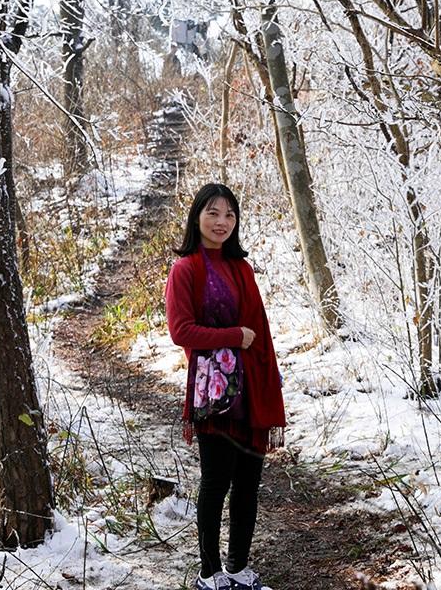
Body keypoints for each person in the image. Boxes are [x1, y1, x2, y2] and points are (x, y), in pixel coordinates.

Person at [164, 183, 286, 590]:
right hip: (213, 390)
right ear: (197, 217)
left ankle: (237, 569)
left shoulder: (241, 268)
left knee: (249, 482)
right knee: (216, 481)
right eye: (213, 213)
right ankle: (208, 573)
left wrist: (270, 379)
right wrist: (233, 336)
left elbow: (261, 332)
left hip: (251, 386)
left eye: (229, 214)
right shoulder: (186, 270)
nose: (222, 222)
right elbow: (181, 331)